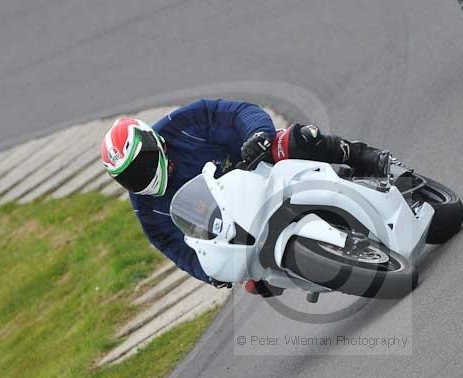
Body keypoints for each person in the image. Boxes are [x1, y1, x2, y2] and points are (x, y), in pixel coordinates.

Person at [99, 99, 393, 289]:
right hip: (237, 221)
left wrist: (257, 134)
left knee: (295, 139)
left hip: (255, 164)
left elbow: (238, 112)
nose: (140, 177)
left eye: (141, 165)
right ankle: (318, 265)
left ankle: (359, 155)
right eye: (129, 177)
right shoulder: (146, 207)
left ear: (154, 143)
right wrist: (212, 274)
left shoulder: (183, 123)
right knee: (257, 285)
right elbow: (176, 248)